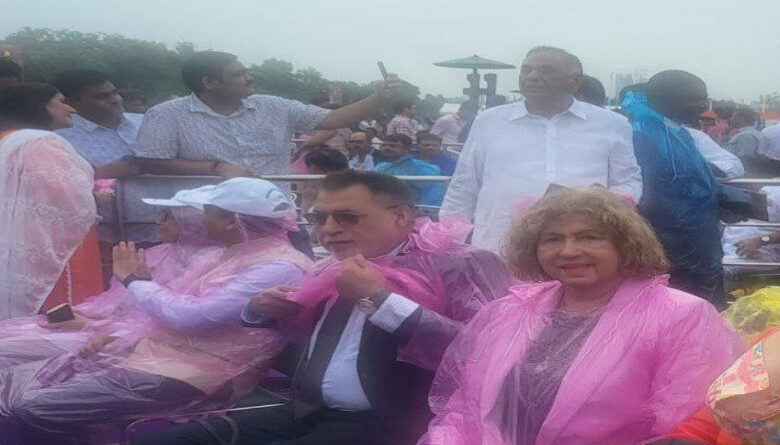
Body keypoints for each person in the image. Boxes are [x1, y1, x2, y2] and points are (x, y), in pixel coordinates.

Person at [131, 170, 513, 445]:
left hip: (390, 422)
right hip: (306, 409)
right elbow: (317, 342)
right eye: (319, 217)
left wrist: (381, 300)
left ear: (400, 216)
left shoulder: (458, 262)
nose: (328, 229)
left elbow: (488, 350)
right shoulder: (331, 265)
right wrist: (263, 310)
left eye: (346, 217)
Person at [420, 187, 743, 445]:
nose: (569, 251)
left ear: (626, 245)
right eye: (552, 239)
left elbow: (686, 429)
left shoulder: (682, 316)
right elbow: (464, 409)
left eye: (589, 237)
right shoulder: (510, 311)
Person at [0, 178, 313, 443]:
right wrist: (120, 338)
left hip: (201, 373)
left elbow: (193, 317)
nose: (200, 219)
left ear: (232, 220)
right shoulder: (230, 253)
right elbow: (166, 310)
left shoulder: (277, 266)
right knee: (11, 382)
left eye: (207, 212)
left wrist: (135, 281)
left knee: (33, 406)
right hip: (157, 356)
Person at [440, 46, 643, 254]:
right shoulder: (489, 121)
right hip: (498, 246)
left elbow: (627, 181)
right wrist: (454, 240)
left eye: (546, 70)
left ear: (576, 81)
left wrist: (596, 205)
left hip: (577, 250)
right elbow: (464, 184)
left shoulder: (611, 124)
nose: (533, 76)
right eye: (526, 70)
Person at [0, 206, 216, 369]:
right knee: (10, 334)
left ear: (193, 224)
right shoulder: (161, 252)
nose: (159, 221)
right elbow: (115, 302)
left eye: (169, 217)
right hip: (105, 329)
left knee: (7, 349)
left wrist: (94, 325)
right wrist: (87, 315)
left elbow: (167, 323)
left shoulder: (209, 265)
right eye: (161, 214)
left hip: (127, 343)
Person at [133, 51, 399, 179]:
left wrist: (378, 98)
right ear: (209, 83)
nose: (249, 78)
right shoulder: (166, 114)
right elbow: (150, 162)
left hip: (274, 217)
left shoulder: (273, 106)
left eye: (246, 71)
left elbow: (335, 119)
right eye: (238, 75)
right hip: (207, 224)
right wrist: (215, 167)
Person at [622, 71, 730, 307]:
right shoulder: (642, 135)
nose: (703, 105)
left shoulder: (678, 133)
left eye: (704, 98)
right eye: (693, 99)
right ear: (664, 100)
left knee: (697, 306)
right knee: (671, 307)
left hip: (695, 241)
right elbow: (651, 190)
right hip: (667, 243)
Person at [0, 83, 102, 320]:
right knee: (63, 321)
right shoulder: (41, 142)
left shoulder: (6, 140)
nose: (72, 109)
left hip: (14, 241)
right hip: (52, 245)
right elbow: (64, 196)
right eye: (61, 101)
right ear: (38, 106)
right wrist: (97, 198)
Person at [53, 69, 143, 179]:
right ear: (71, 101)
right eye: (102, 96)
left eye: (115, 93)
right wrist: (98, 174)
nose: (115, 100)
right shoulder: (61, 139)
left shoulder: (144, 121)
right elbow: (58, 181)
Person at [374, 134, 445, 206]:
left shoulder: (419, 167)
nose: (387, 148)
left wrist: (424, 209)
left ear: (407, 148)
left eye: (393, 146)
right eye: (384, 145)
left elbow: (435, 190)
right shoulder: (380, 166)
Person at [726, 107, 775, 177]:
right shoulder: (748, 133)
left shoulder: (746, 136)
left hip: (738, 175)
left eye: (733, 116)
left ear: (741, 118)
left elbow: (744, 160)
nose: (731, 119)